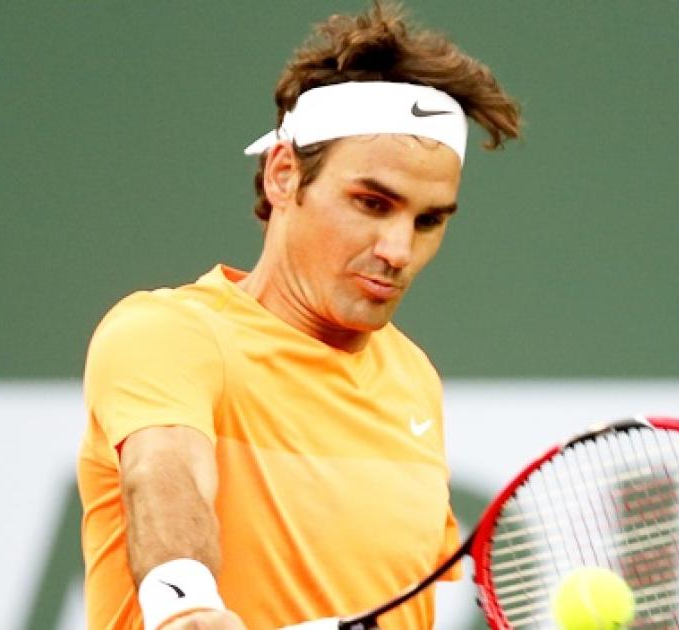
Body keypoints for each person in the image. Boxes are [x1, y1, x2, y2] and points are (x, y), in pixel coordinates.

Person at [76, 4, 522, 629]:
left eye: (428, 221)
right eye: (372, 203)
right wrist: (187, 605)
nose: (398, 250)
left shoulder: (414, 380)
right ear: (284, 175)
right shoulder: (168, 334)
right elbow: (165, 471)